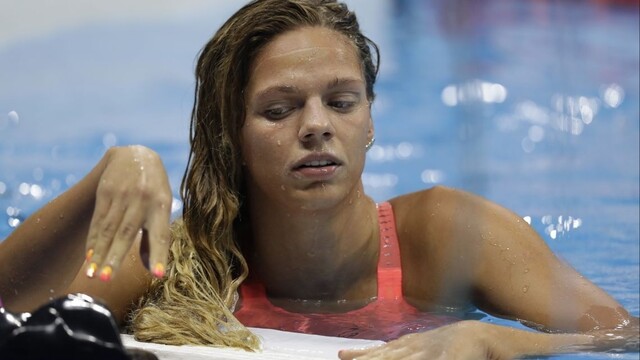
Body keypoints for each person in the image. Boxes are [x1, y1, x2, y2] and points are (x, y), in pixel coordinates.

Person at [0, 0, 637, 358]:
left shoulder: (447, 233)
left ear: (370, 122)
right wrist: (111, 172)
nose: (316, 127)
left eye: (342, 101)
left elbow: (620, 334)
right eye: (278, 110)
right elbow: (14, 319)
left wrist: (486, 340)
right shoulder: (179, 264)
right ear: (232, 138)